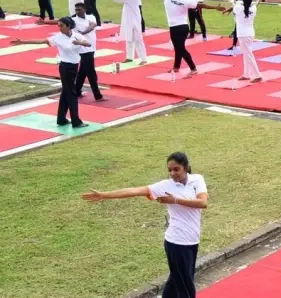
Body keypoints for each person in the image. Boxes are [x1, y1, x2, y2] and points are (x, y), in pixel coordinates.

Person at [81, 152, 208, 298]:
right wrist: (105, 195)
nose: (173, 173)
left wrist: (175, 200)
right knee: (186, 288)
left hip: (193, 240)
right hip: (176, 242)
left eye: (176, 169)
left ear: (186, 167)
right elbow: (135, 191)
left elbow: (203, 203)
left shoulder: (197, 180)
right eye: (169, 170)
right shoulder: (165, 186)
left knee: (176, 281)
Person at [10, 17, 90, 127]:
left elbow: (88, 44)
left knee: (66, 92)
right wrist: (22, 41)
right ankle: (76, 121)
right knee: (71, 94)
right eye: (58, 25)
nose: (59, 27)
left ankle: (61, 119)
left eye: (61, 25)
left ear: (68, 26)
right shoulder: (58, 38)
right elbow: (42, 41)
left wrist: (79, 42)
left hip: (75, 66)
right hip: (65, 67)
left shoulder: (77, 35)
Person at [163, 0, 204, 77]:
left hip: (174, 28)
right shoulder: (186, 1)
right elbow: (201, 5)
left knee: (180, 48)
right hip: (184, 27)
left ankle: (193, 68)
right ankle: (176, 67)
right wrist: (215, 7)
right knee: (178, 47)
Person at [108, 0, 147, 64]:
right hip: (129, 19)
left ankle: (143, 59)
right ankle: (129, 57)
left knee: (138, 39)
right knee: (128, 37)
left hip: (134, 20)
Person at [234, 0, 263, 83]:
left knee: (248, 55)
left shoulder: (238, 8)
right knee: (246, 54)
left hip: (243, 34)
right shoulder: (253, 9)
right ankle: (246, 74)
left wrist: (240, 1)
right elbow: (254, 4)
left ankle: (257, 75)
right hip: (250, 33)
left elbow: (237, 3)